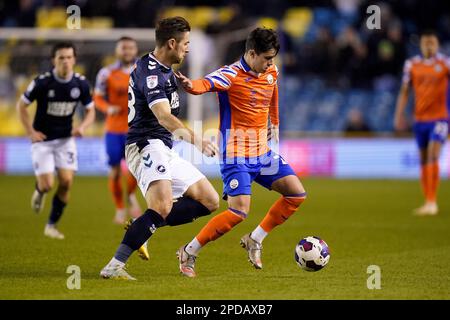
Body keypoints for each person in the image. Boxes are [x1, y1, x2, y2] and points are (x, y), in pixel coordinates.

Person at [174, 27, 307, 278]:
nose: (271, 64)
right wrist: (190, 85)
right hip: (236, 154)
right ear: (252, 53)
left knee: (296, 194)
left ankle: (255, 239)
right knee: (238, 212)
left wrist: (275, 123)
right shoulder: (230, 74)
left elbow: (273, 93)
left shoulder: (271, 71)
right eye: (267, 58)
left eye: (273, 58)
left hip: (262, 151)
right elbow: (205, 84)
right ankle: (189, 252)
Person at [100, 16, 220, 280]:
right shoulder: (152, 73)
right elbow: (164, 117)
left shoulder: (162, 69)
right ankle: (114, 266)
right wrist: (198, 141)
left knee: (210, 200)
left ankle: (144, 227)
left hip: (164, 147)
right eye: (186, 43)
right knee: (163, 206)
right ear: (172, 43)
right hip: (145, 144)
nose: (188, 48)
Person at [17, 42, 96, 239]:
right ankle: (39, 190)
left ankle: (51, 225)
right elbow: (21, 106)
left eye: (69, 57)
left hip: (65, 140)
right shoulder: (42, 82)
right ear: (54, 60)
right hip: (42, 140)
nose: (66, 61)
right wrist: (30, 132)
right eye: (61, 57)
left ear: (74, 60)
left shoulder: (81, 83)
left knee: (67, 182)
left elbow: (91, 111)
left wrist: (83, 127)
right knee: (46, 185)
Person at [394, 30, 449, 216]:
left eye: (432, 42)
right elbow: (404, 91)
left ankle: (432, 202)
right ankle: (428, 201)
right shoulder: (412, 65)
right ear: (421, 45)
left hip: (440, 118)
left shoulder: (445, 63)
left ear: (437, 44)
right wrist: (398, 115)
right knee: (424, 159)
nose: (429, 46)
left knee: (434, 154)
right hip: (420, 120)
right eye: (426, 43)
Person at [94, 37, 142, 225]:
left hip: (136, 129)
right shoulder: (106, 73)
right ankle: (120, 209)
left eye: (130, 48)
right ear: (117, 51)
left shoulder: (143, 71)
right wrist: (107, 108)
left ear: (135, 50)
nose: (127, 51)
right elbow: (97, 97)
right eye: (124, 48)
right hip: (114, 129)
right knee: (114, 171)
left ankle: (130, 197)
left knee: (134, 171)